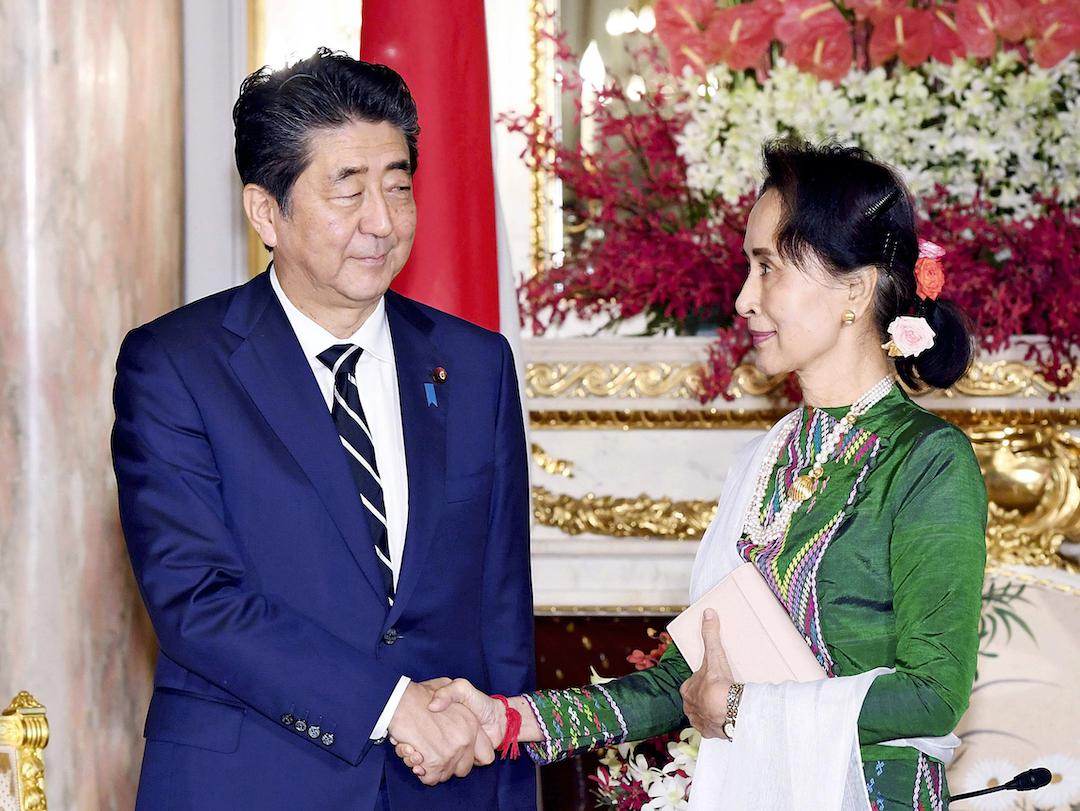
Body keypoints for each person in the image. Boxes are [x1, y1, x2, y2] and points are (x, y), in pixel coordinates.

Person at [398, 141, 988, 811]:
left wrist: (739, 706)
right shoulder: (764, 462)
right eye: (748, 268)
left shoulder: (926, 460)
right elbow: (680, 685)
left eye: (767, 267)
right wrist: (506, 719)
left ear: (854, 288)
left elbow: (932, 696)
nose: (743, 299)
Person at [111, 49, 536, 810]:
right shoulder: (176, 366)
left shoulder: (475, 366)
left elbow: (500, 616)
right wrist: (388, 703)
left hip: (443, 787)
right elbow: (196, 598)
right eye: (348, 190)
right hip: (248, 784)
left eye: (398, 187)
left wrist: (508, 786)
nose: (382, 221)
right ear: (265, 212)